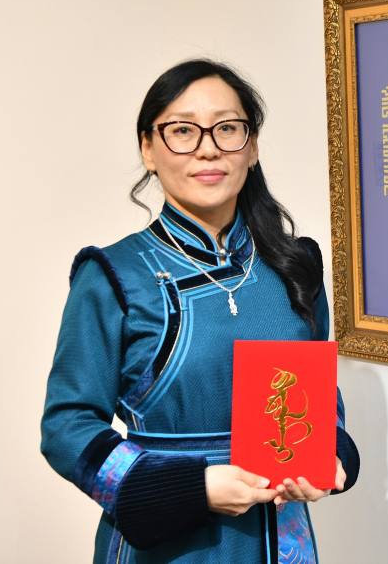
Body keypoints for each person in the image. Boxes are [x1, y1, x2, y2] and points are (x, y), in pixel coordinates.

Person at [40, 59, 360, 563]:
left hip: (283, 540)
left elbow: (319, 394)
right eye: (183, 131)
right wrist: (196, 488)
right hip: (171, 545)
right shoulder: (114, 276)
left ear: (252, 147)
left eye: (227, 128)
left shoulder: (295, 264)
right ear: (148, 149)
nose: (208, 148)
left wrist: (331, 452)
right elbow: (67, 426)